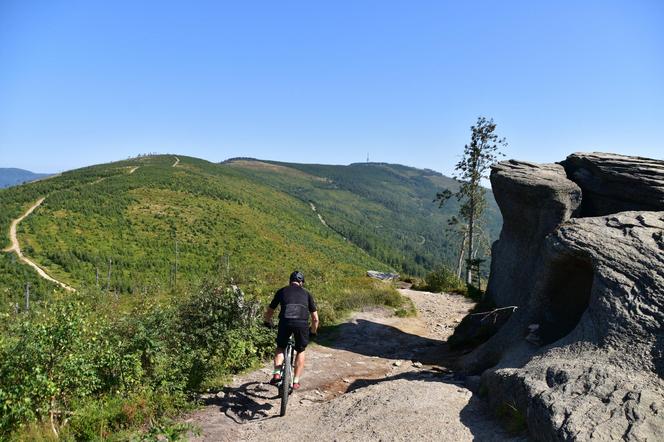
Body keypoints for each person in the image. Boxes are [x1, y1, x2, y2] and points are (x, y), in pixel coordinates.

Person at [264, 270, 319, 390]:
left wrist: (267, 321)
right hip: (302, 324)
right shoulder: (307, 294)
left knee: (280, 346)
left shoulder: (282, 291)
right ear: (302, 283)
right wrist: (313, 332)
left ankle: (277, 373)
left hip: (285, 322)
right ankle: (296, 381)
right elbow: (315, 318)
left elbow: (270, 311)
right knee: (300, 350)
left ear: (290, 281)